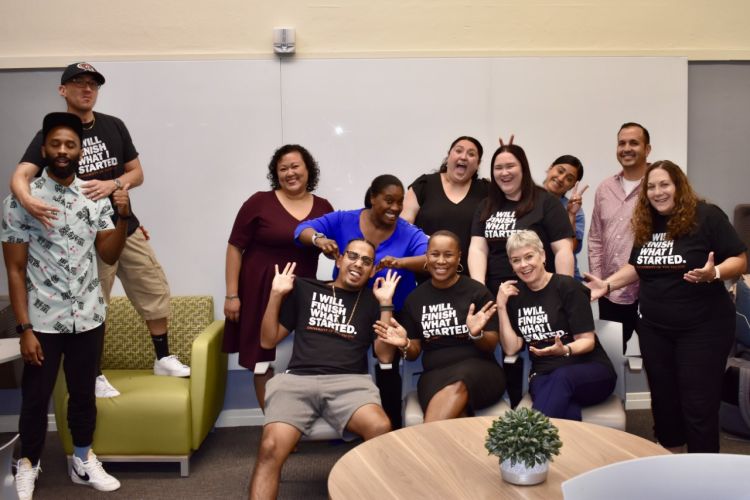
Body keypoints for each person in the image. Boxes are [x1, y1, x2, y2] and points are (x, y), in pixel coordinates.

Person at [10, 62, 185, 398]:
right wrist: (28, 201)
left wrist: (114, 184)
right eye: (78, 83)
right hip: (85, 237)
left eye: (92, 84)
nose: (86, 89)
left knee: (152, 285)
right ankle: (94, 374)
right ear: (63, 90)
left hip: (124, 224)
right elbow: (20, 176)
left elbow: (137, 173)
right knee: (95, 304)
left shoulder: (113, 126)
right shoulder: (55, 134)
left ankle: (162, 357)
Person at [3, 113, 127, 499]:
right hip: (42, 320)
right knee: (36, 398)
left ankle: (84, 460)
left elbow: (108, 254)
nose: (62, 151)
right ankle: (28, 463)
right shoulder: (21, 201)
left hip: (89, 317)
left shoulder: (94, 196)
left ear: (79, 151)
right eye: (55, 144)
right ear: (44, 150)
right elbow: (15, 269)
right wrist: (24, 329)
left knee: (84, 395)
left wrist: (121, 213)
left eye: (69, 145)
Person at [585, 161, 747, 452]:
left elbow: (740, 258)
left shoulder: (706, 216)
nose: (657, 192)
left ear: (679, 186)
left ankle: (702, 475)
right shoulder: (647, 222)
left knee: (698, 402)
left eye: (664, 184)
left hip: (703, 329)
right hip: (655, 329)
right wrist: (608, 284)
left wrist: (715, 273)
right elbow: (638, 266)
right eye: (651, 186)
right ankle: (669, 460)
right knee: (663, 399)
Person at [248, 240, 400, 499]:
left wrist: (386, 303)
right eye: (353, 256)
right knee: (270, 447)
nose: (358, 264)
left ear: (372, 271)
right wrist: (275, 295)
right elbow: (267, 340)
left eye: (366, 261)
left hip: (350, 383)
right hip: (297, 382)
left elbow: (384, 356)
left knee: (380, 427)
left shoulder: (373, 302)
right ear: (339, 260)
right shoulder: (306, 289)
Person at [295, 174, 429, 428]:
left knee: (386, 361)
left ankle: (389, 427)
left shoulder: (407, 231)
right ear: (372, 198)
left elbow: (430, 258)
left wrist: (400, 262)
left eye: (400, 202)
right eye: (388, 200)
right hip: (348, 308)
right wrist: (319, 240)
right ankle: (349, 418)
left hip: (390, 309)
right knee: (345, 359)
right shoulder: (344, 219)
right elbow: (302, 230)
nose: (395, 208)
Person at [223, 144, 333, 409]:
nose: (290, 173)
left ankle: (296, 418)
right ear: (276, 174)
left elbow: (333, 250)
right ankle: (273, 421)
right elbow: (235, 246)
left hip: (301, 293)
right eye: (283, 169)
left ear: (308, 169)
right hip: (258, 290)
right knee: (263, 360)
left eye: (295, 166)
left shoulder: (323, 206)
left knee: (299, 358)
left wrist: (332, 249)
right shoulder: (259, 202)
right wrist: (232, 294)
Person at [468, 143, 574, 406]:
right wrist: (479, 290)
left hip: (538, 293)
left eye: (510, 166)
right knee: (501, 350)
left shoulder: (545, 202)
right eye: (498, 168)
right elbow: (477, 249)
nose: (504, 173)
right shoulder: (485, 205)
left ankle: (536, 404)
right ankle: (505, 406)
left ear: (523, 168)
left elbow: (562, 249)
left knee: (540, 354)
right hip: (497, 294)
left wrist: (564, 289)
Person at [374, 231, 506, 421]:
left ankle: (424, 444)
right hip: (434, 376)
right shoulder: (415, 299)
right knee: (456, 413)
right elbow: (413, 354)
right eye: (435, 254)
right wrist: (405, 344)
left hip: (480, 371)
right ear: (427, 256)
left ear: (459, 257)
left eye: (448, 255)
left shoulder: (477, 292)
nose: (441, 261)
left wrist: (476, 334)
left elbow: (491, 344)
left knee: (459, 384)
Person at [497, 230, 616, 421]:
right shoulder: (515, 297)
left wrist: (565, 350)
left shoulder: (568, 287)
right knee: (564, 408)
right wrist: (501, 306)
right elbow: (511, 348)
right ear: (511, 264)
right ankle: (558, 449)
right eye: (516, 260)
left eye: (529, 256)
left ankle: (525, 442)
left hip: (590, 371)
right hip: (543, 375)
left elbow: (587, 342)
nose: (524, 265)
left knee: (562, 378)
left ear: (542, 255)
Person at [588, 122, 651, 350]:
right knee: (611, 356)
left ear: (647, 149)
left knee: (658, 358)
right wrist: (599, 279)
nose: (626, 148)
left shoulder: (658, 187)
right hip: (611, 291)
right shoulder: (605, 188)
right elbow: (595, 238)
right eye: (621, 143)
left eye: (634, 143)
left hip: (650, 291)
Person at [401, 136, 488, 276]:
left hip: (469, 280)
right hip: (424, 276)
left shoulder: (486, 191)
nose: (464, 157)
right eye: (458, 151)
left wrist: (507, 155)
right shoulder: (424, 185)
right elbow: (403, 228)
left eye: (471, 154)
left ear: (478, 164)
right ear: (449, 156)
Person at [542, 155, 587, 281]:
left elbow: (572, 248)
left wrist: (571, 215)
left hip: (563, 277)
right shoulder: (527, 199)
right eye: (560, 171)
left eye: (569, 179)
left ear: (572, 186)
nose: (561, 179)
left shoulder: (575, 210)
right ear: (550, 168)